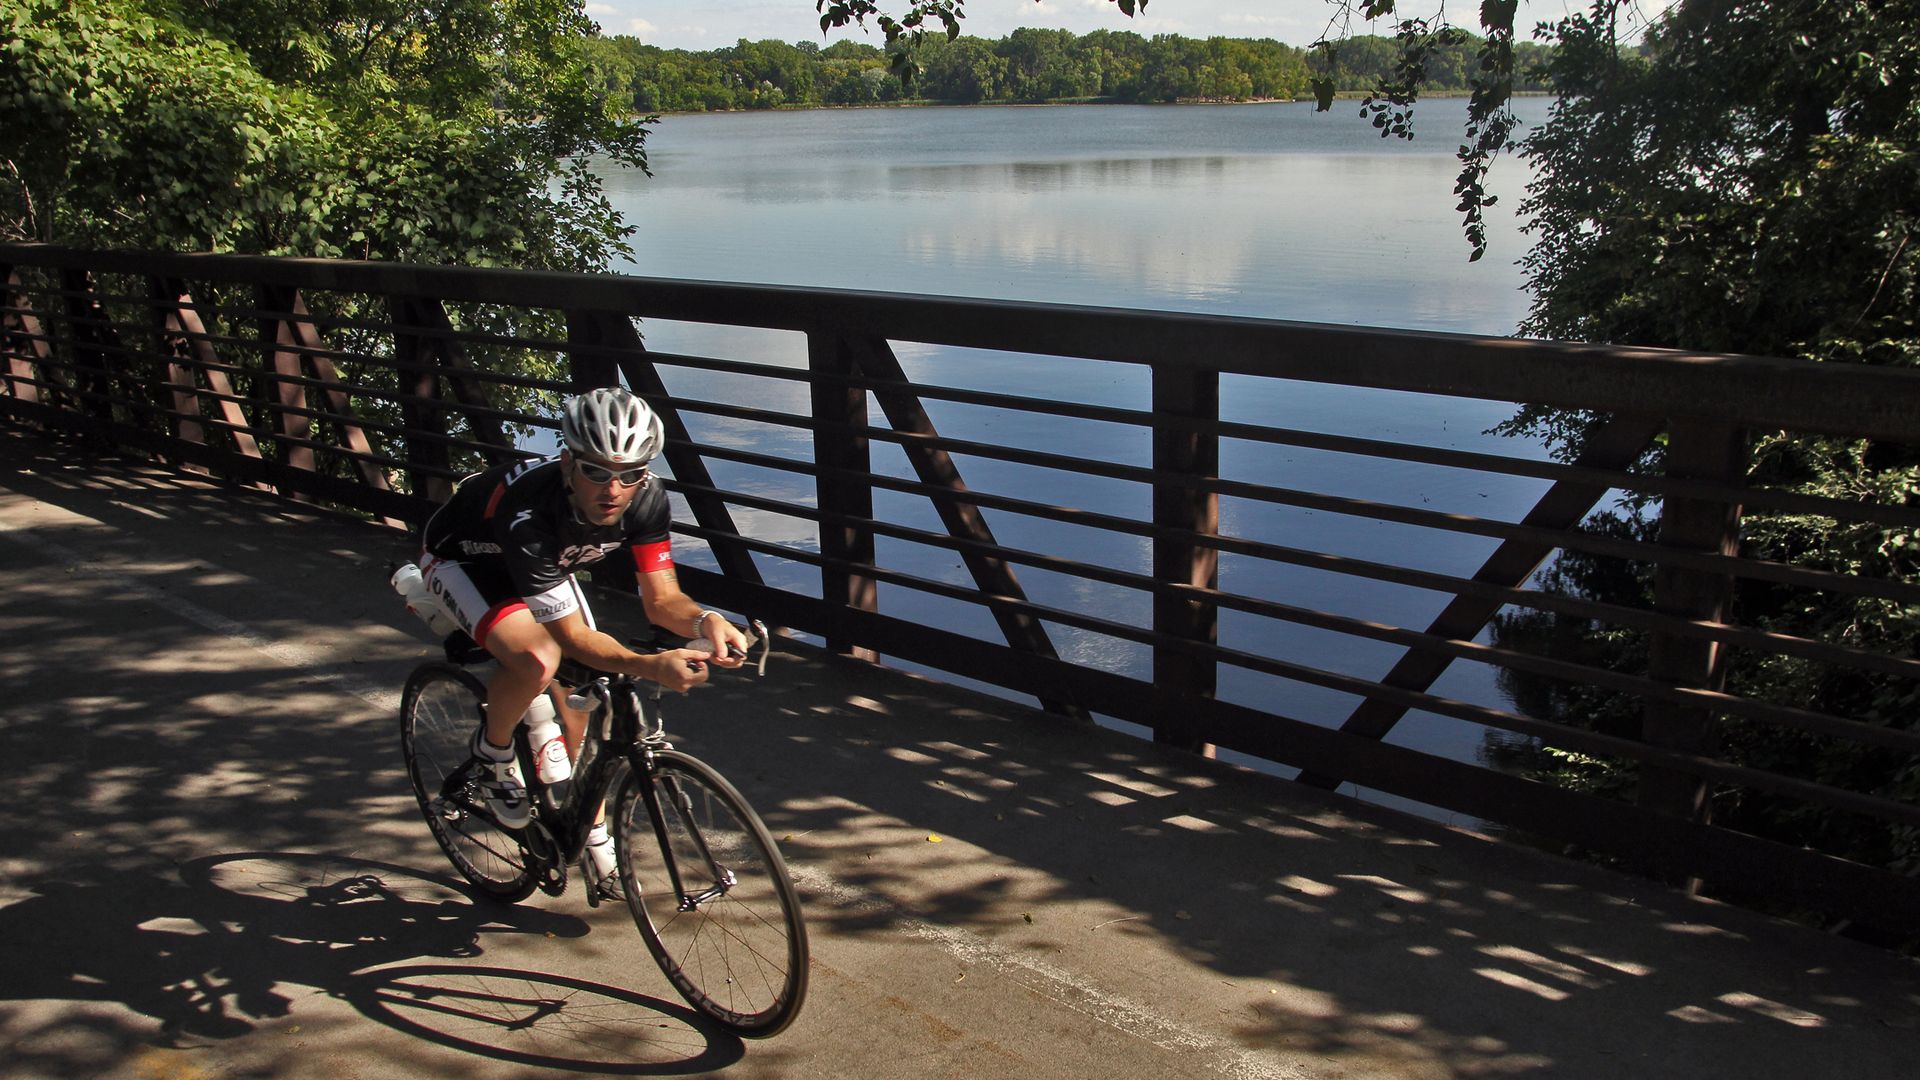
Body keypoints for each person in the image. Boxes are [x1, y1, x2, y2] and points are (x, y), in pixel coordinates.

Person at [416, 386, 750, 893]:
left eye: (630, 475)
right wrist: (653, 664)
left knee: (587, 698)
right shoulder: (531, 510)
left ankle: (588, 831)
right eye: (596, 471)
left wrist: (706, 622)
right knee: (539, 658)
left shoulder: (648, 500)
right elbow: (570, 637)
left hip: (548, 567)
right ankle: (493, 754)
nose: (612, 490)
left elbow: (662, 600)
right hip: (468, 563)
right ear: (568, 462)